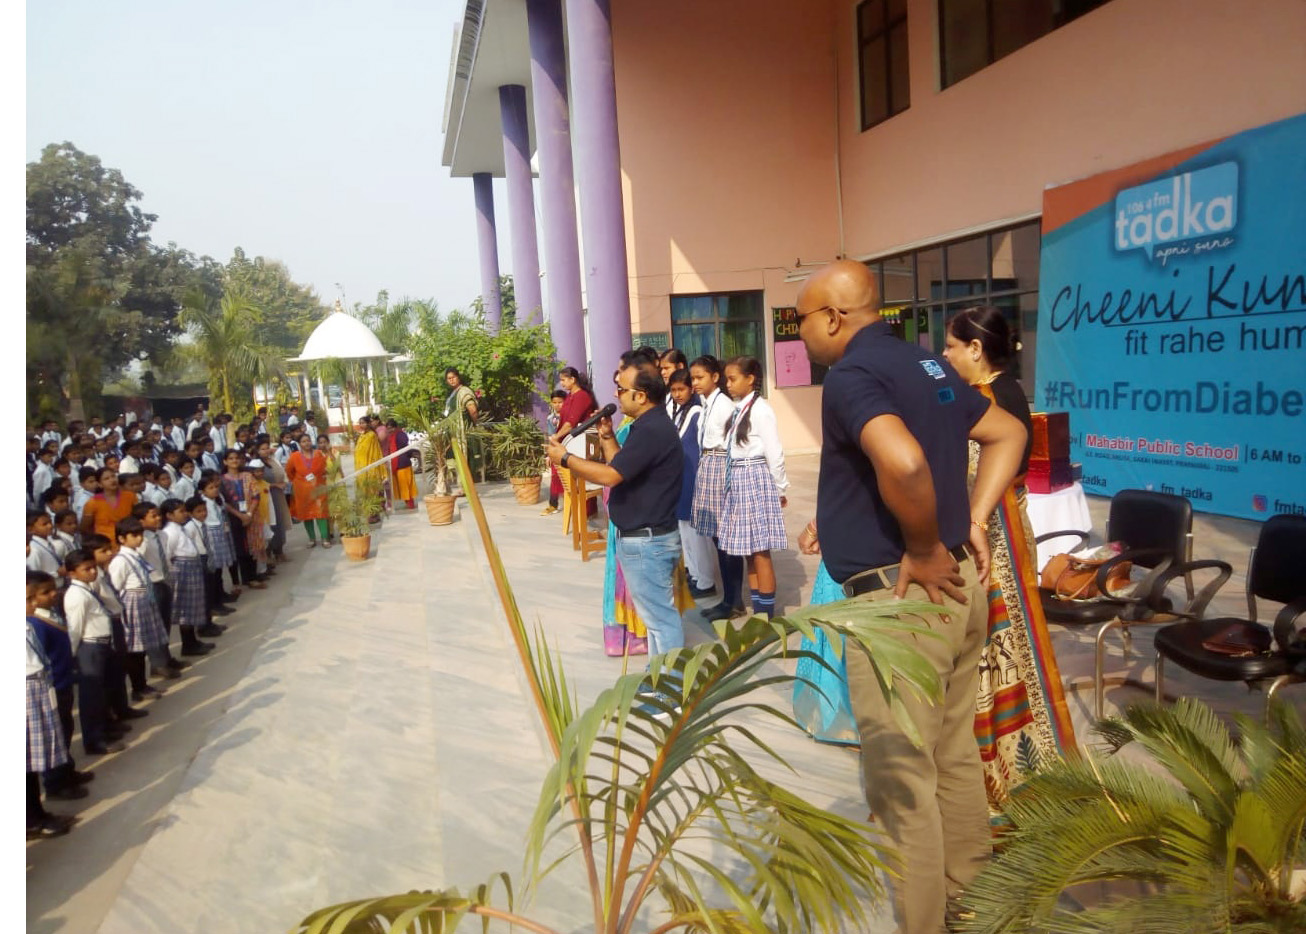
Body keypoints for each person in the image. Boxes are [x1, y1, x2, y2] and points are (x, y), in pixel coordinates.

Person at [788, 259, 1026, 934]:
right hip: (955, 590)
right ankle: (972, 908)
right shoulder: (928, 366)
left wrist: (921, 545)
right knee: (952, 756)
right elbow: (1008, 432)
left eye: (801, 320)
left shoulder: (853, 376)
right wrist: (973, 517)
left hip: (902, 603)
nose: (800, 334)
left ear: (833, 317)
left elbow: (905, 461)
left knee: (902, 783)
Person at [940, 306, 1078, 808]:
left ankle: (994, 778)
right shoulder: (1011, 391)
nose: (945, 355)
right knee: (1012, 652)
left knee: (991, 652)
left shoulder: (988, 402)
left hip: (991, 542)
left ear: (976, 350)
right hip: (1005, 533)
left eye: (951, 346)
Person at [547, 358, 687, 657]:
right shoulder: (646, 425)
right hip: (645, 539)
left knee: (661, 621)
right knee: (655, 621)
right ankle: (658, 676)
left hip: (648, 542)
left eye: (621, 389)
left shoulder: (652, 430)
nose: (615, 395)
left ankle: (671, 683)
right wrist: (608, 436)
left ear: (641, 395)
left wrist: (566, 459)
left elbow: (611, 476)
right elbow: (621, 465)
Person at [718, 356, 789, 620]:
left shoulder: (761, 410)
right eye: (726, 379)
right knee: (747, 550)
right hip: (738, 479)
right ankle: (759, 613)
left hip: (754, 477)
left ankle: (767, 616)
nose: (728, 384)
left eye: (733, 379)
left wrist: (780, 487)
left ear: (750, 379)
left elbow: (774, 451)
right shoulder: (739, 409)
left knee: (760, 550)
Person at [29, 571, 93, 803]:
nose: (53, 594)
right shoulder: (35, 623)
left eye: (52, 589)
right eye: (45, 592)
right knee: (55, 736)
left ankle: (67, 771)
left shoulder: (51, 614)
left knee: (65, 729)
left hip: (64, 682)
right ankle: (55, 783)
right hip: (52, 686)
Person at [688, 355, 745, 616]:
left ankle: (734, 601)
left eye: (700, 377)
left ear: (714, 377)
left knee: (725, 538)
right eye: (693, 378)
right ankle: (728, 599)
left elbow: (733, 442)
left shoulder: (723, 405)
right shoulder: (706, 403)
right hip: (708, 463)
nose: (695, 383)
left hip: (720, 465)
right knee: (716, 536)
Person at [26, 574, 77, 838]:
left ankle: (38, 813)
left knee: (31, 765)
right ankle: (30, 821)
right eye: (28, 599)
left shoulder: (26, 625)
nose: (34, 603)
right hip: (26, 694)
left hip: (37, 691)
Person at [109, 517, 173, 701]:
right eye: (134, 535)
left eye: (140, 535)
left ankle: (143, 684)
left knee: (142, 647)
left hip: (145, 600)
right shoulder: (120, 561)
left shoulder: (136, 555)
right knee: (134, 649)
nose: (139, 539)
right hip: (133, 603)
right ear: (122, 539)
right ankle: (138, 687)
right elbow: (116, 587)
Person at [667, 369, 717, 598]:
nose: (677, 394)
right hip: (681, 477)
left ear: (690, 389)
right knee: (685, 530)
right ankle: (695, 574)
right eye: (674, 390)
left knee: (697, 534)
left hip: (693, 478)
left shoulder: (696, 412)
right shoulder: (679, 412)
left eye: (681, 389)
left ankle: (705, 581)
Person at [220, 450, 266, 589]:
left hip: (251, 515)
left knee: (252, 545)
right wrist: (241, 516)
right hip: (233, 517)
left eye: (236, 458)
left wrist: (249, 514)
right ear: (225, 461)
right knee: (240, 547)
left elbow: (256, 496)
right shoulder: (222, 480)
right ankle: (244, 579)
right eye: (231, 458)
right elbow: (224, 502)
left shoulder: (248, 476)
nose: (234, 461)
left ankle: (253, 576)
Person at [286, 436, 332, 547]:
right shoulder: (294, 456)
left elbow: (325, 467)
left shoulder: (318, 454)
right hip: (302, 491)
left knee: (321, 513)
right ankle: (312, 539)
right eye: (303, 441)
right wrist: (299, 482)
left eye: (308, 441)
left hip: (318, 489)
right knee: (306, 515)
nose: (306, 443)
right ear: (299, 444)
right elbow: (289, 471)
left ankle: (325, 538)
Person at [81, 467, 138, 545]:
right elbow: (85, 527)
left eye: (113, 476)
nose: (112, 480)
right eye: (106, 479)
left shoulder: (130, 496)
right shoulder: (92, 502)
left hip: (128, 542)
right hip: (105, 544)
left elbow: (137, 517)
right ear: (99, 484)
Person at [386, 419, 418, 510]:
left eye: (391, 428)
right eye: (388, 429)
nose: (389, 430)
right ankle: (408, 503)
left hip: (403, 463)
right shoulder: (391, 437)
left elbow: (405, 445)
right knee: (401, 486)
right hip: (396, 464)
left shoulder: (400, 435)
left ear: (395, 427)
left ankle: (410, 503)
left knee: (406, 485)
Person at [658, 348, 689, 416]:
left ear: (680, 366)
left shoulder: (692, 394)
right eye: (661, 369)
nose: (663, 372)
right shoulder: (667, 394)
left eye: (666, 368)